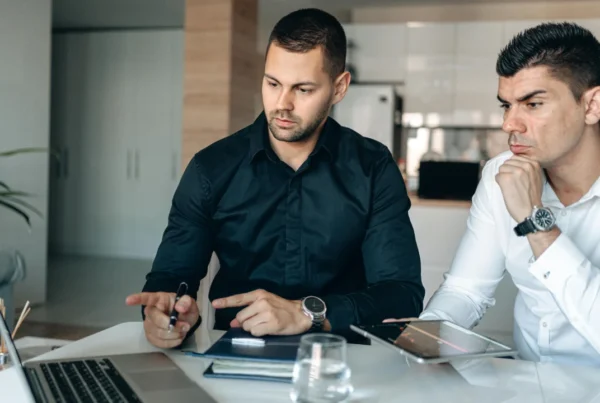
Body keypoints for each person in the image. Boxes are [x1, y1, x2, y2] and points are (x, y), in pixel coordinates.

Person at [126, 8, 423, 349]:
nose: (282, 104)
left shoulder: (373, 168)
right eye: (273, 83)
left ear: (339, 87)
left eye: (303, 89)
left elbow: (402, 295)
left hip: (342, 360)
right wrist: (169, 315)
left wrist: (309, 313)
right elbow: (171, 277)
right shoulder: (210, 168)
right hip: (236, 351)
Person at [389, 22, 600, 367]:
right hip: (527, 384)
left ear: (592, 106)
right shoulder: (500, 174)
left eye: (533, 104)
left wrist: (535, 222)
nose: (508, 125)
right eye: (506, 105)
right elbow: (466, 291)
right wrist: (422, 338)